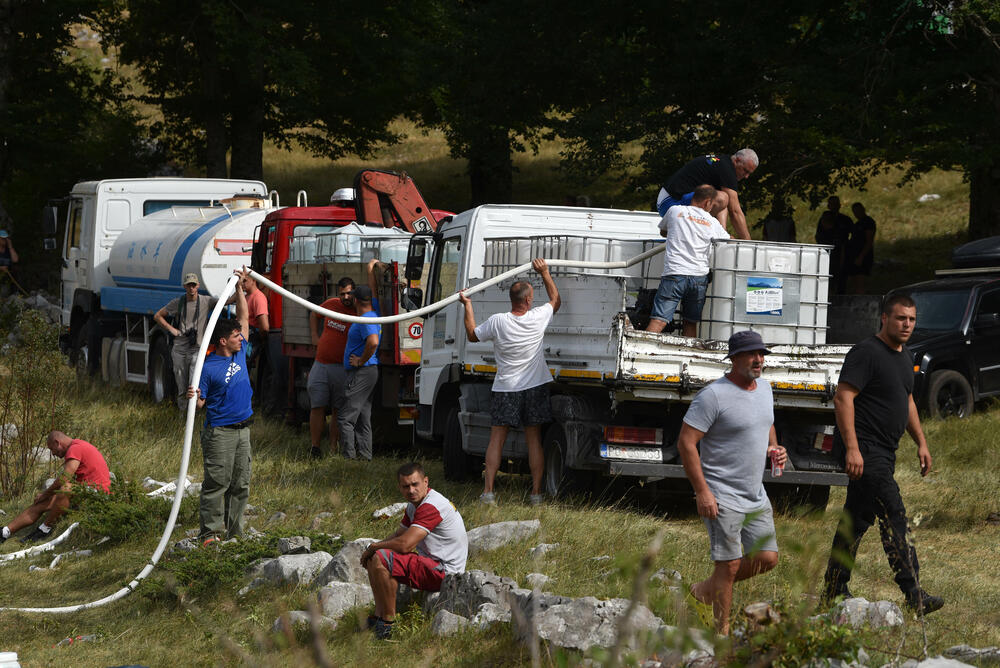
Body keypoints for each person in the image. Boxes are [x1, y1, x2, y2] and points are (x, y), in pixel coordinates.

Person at [822, 294, 944, 615]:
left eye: (912, 319)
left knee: (856, 521)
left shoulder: (906, 357)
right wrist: (852, 449)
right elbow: (843, 398)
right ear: (885, 319)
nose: (907, 325)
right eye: (901, 318)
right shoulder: (866, 353)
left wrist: (921, 442)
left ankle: (833, 589)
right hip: (865, 450)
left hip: (885, 452)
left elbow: (907, 402)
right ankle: (913, 592)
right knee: (894, 513)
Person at [677, 330, 787, 636]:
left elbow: (767, 423)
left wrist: (773, 448)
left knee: (767, 558)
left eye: (762, 354)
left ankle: (703, 589)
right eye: (752, 354)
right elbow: (686, 443)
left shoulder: (764, 389)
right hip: (721, 494)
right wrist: (703, 492)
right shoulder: (713, 395)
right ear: (734, 358)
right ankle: (721, 633)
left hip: (755, 494)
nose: (759, 360)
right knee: (729, 565)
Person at [459, 258, 561, 505]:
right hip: (534, 387)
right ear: (527, 301)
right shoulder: (537, 317)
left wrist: (467, 305)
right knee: (534, 439)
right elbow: (556, 301)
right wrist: (545, 273)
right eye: (531, 297)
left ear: (511, 300)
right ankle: (536, 494)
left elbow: (472, 335)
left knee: (497, 440)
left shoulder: (498, 321)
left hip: (506, 388)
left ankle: (489, 493)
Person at [359, 462, 468, 640]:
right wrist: (373, 549)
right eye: (406, 486)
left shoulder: (431, 506)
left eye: (415, 484)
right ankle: (378, 616)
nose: (411, 490)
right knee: (376, 558)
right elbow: (398, 534)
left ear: (426, 482)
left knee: (380, 556)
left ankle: (388, 624)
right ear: (400, 488)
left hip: (446, 573)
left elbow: (405, 545)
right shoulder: (414, 505)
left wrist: (374, 547)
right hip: (432, 565)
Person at [186, 267, 252, 543]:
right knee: (217, 484)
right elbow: (200, 404)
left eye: (240, 336)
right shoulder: (207, 366)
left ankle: (235, 533)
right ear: (223, 341)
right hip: (220, 432)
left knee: (240, 484)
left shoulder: (241, 353)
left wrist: (239, 287)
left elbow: (244, 316)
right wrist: (194, 397)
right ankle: (210, 533)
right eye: (236, 336)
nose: (241, 338)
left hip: (243, 430)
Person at [646, 184, 730, 337]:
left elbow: (663, 231)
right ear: (707, 202)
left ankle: (640, 354)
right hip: (699, 278)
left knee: (659, 320)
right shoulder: (712, 221)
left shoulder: (675, 211)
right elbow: (727, 242)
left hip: (675, 274)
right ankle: (688, 357)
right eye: (712, 205)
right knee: (690, 322)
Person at [0, 431, 110, 545]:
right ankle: (5, 532)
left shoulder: (75, 448)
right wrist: (46, 496)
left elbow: (64, 478)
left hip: (99, 493)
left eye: (52, 449)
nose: (53, 453)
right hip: (84, 490)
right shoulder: (77, 446)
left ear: (58, 443)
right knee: (43, 502)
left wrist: (45, 494)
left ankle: (44, 529)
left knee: (65, 488)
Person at [655, 149, 758, 240]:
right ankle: (694, 229)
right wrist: (747, 241)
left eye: (749, 173)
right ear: (737, 160)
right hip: (670, 202)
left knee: (722, 200)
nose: (746, 176)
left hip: (667, 200)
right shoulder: (727, 169)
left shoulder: (722, 162)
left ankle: (721, 235)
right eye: (745, 171)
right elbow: (735, 211)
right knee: (722, 198)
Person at [337, 261, 383, 461]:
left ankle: (349, 459)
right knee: (363, 417)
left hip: (363, 372)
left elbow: (372, 342)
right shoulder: (373, 311)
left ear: (356, 300)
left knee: (346, 419)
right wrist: (370, 271)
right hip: (369, 372)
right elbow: (373, 293)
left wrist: (360, 361)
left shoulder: (366, 320)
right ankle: (365, 458)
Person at [154, 273, 218, 413]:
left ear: (198, 286)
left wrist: (238, 288)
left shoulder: (206, 301)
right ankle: (183, 415)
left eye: (194, 285)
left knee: (193, 382)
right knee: (181, 384)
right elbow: (158, 316)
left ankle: (193, 414)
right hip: (180, 348)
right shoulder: (178, 302)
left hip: (197, 348)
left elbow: (226, 301)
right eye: (189, 285)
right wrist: (172, 330)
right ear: (184, 286)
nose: (191, 288)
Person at [307, 276, 355, 458]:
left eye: (349, 293)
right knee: (317, 406)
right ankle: (315, 448)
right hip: (321, 364)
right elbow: (314, 314)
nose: (346, 297)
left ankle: (333, 449)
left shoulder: (358, 312)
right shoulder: (331, 304)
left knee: (338, 410)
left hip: (342, 368)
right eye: (342, 294)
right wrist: (314, 335)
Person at [814, 197, 853, 294]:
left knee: (841, 278)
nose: (834, 206)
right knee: (826, 277)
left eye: (836, 204)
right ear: (828, 206)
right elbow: (818, 236)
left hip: (841, 252)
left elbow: (854, 235)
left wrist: (846, 245)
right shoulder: (824, 218)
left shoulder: (845, 220)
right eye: (832, 204)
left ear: (840, 205)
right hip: (826, 253)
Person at [847, 202, 876, 294]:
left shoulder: (868, 222)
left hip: (863, 257)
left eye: (858, 210)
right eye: (855, 211)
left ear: (863, 209)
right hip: (854, 256)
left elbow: (869, 241)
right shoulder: (857, 224)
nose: (857, 213)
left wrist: (861, 257)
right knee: (853, 282)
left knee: (860, 282)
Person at [0, 230, 20, 297]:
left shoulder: (8, 250)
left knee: (16, 268)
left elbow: (15, 260)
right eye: (2, 238)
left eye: (6, 238)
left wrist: (10, 247)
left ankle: (14, 293)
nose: (4, 240)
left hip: (7, 274)